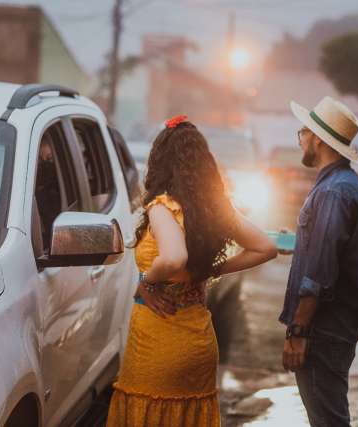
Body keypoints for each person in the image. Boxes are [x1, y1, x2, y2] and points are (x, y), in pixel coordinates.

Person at [106, 115, 278, 427]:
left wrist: (146, 280)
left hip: (158, 345)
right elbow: (265, 247)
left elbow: (173, 259)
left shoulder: (161, 208)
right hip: (197, 343)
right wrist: (212, 270)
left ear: (160, 161)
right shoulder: (215, 208)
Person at [279, 97, 358, 426]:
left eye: (302, 133)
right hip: (334, 328)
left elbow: (320, 271)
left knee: (329, 421)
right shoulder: (347, 187)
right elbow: (332, 249)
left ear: (317, 138)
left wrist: (298, 331)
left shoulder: (333, 193)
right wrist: (295, 241)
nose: (301, 140)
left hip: (322, 330)